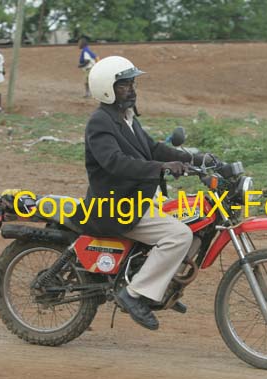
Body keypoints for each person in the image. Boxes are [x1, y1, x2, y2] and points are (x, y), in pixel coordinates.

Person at [84, 56, 208, 330]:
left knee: (196, 228)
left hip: (138, 199)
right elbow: (115, 162)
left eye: (132, 82)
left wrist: (195, 159)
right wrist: (162, 166)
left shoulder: (126, 118)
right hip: (115, 208)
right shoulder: (100, 123)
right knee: (179, 235)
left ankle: (157, 289)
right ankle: (132, 294)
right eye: (124, 84)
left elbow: (153, 149)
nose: (131, 88)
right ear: (107, 88)